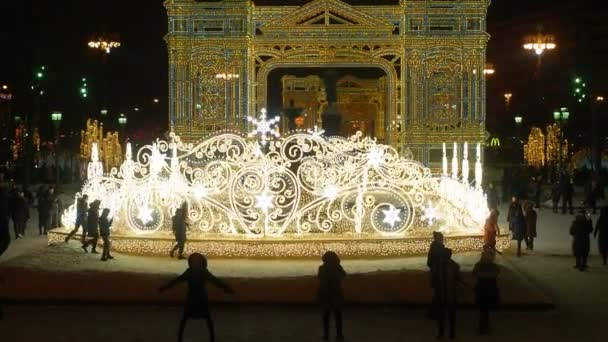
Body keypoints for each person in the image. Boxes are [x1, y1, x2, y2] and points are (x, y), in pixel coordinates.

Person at [158, 253, 234, 342]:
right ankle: (212, 339)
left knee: (185, 319)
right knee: (207, 319)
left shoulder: (190, 271)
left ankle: (180, 339)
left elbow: (177, 280)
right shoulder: (203, 271)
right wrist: (227, 288)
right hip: (201, 298)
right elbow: (215, 281)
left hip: (192, 298)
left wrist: (164, 288)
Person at [434, 248, 462, 339]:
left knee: (443, 316)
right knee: (450, 316)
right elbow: (458, 278)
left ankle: (442, 333)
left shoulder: (438, 266)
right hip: (450, 294)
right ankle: (451, 333)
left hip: (443, 294)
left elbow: (433, 280)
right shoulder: (454, 265)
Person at [318, 251, 346, 341]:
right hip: (336, 294)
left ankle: (326, 335)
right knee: (338, 316)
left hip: (326, 294)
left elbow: (320, 280)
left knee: (326, 316)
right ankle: (339, 334)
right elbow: (344, 275)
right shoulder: (338, 267)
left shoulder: (322, 268)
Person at [472, 250, 500, 335]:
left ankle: (482, 327)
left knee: (482, 309)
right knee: (486, 309)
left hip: (481, 289)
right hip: (490, 289)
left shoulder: (478, 265)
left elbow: (474, 274)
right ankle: (486, 326)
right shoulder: (494, 266)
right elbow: (497, 274)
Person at [0, 186, 10, 257]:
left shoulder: (5, 198)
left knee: (6, 241)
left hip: (3, 220)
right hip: (2, 221)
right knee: (6, 240)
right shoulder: (4, 198)